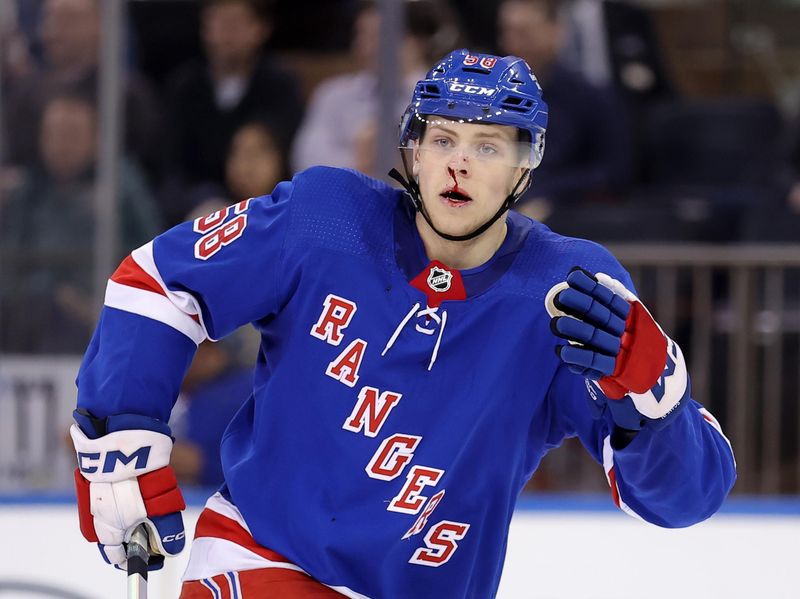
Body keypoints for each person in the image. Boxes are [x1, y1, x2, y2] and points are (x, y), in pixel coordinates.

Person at [70, 49, 735, 598]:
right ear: (412, 151)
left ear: (525, 165)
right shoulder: (325, 216)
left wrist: (655, 398)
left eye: (488, 145)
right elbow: (158, 279)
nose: (459, 163)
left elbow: (683, 501)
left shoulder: (568, 293)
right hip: (261, 555)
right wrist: (119, 427)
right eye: (442, 137)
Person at [0, 91, 160, 353]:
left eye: (72, 134)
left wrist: (87, 302)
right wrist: (51, 291)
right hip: (32, 321)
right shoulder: (28, 190)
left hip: (103, 312)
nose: (62, 145)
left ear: (97, 139)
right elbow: (9, 266)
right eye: (54, 135)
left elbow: (150, 252)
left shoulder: (120, 184)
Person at [163, 0, 302, 215]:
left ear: (260, 28)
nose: (225, 35)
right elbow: (172, 168)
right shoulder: (185, 86)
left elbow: (285, 157)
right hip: (200, 208)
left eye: (234, 24)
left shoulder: (280, 86)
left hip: (268, 206)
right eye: (216, 23)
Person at [498, 0, 632, 219]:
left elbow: (614, 172)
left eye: (525, 33)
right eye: (508, 32)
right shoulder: (491, 97)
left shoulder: (592, 97)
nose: (514, 44)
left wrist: (549, 195)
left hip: (570, 214)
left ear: (556, 32)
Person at [291, 0, 455, 177]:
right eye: (360, 35)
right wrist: (359, 162)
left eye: (375, 37)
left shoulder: (448, 99)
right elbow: (305, 161)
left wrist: (406, 161)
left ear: (413, 42)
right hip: (346, 198)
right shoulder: (333, 94)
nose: (362, 47)